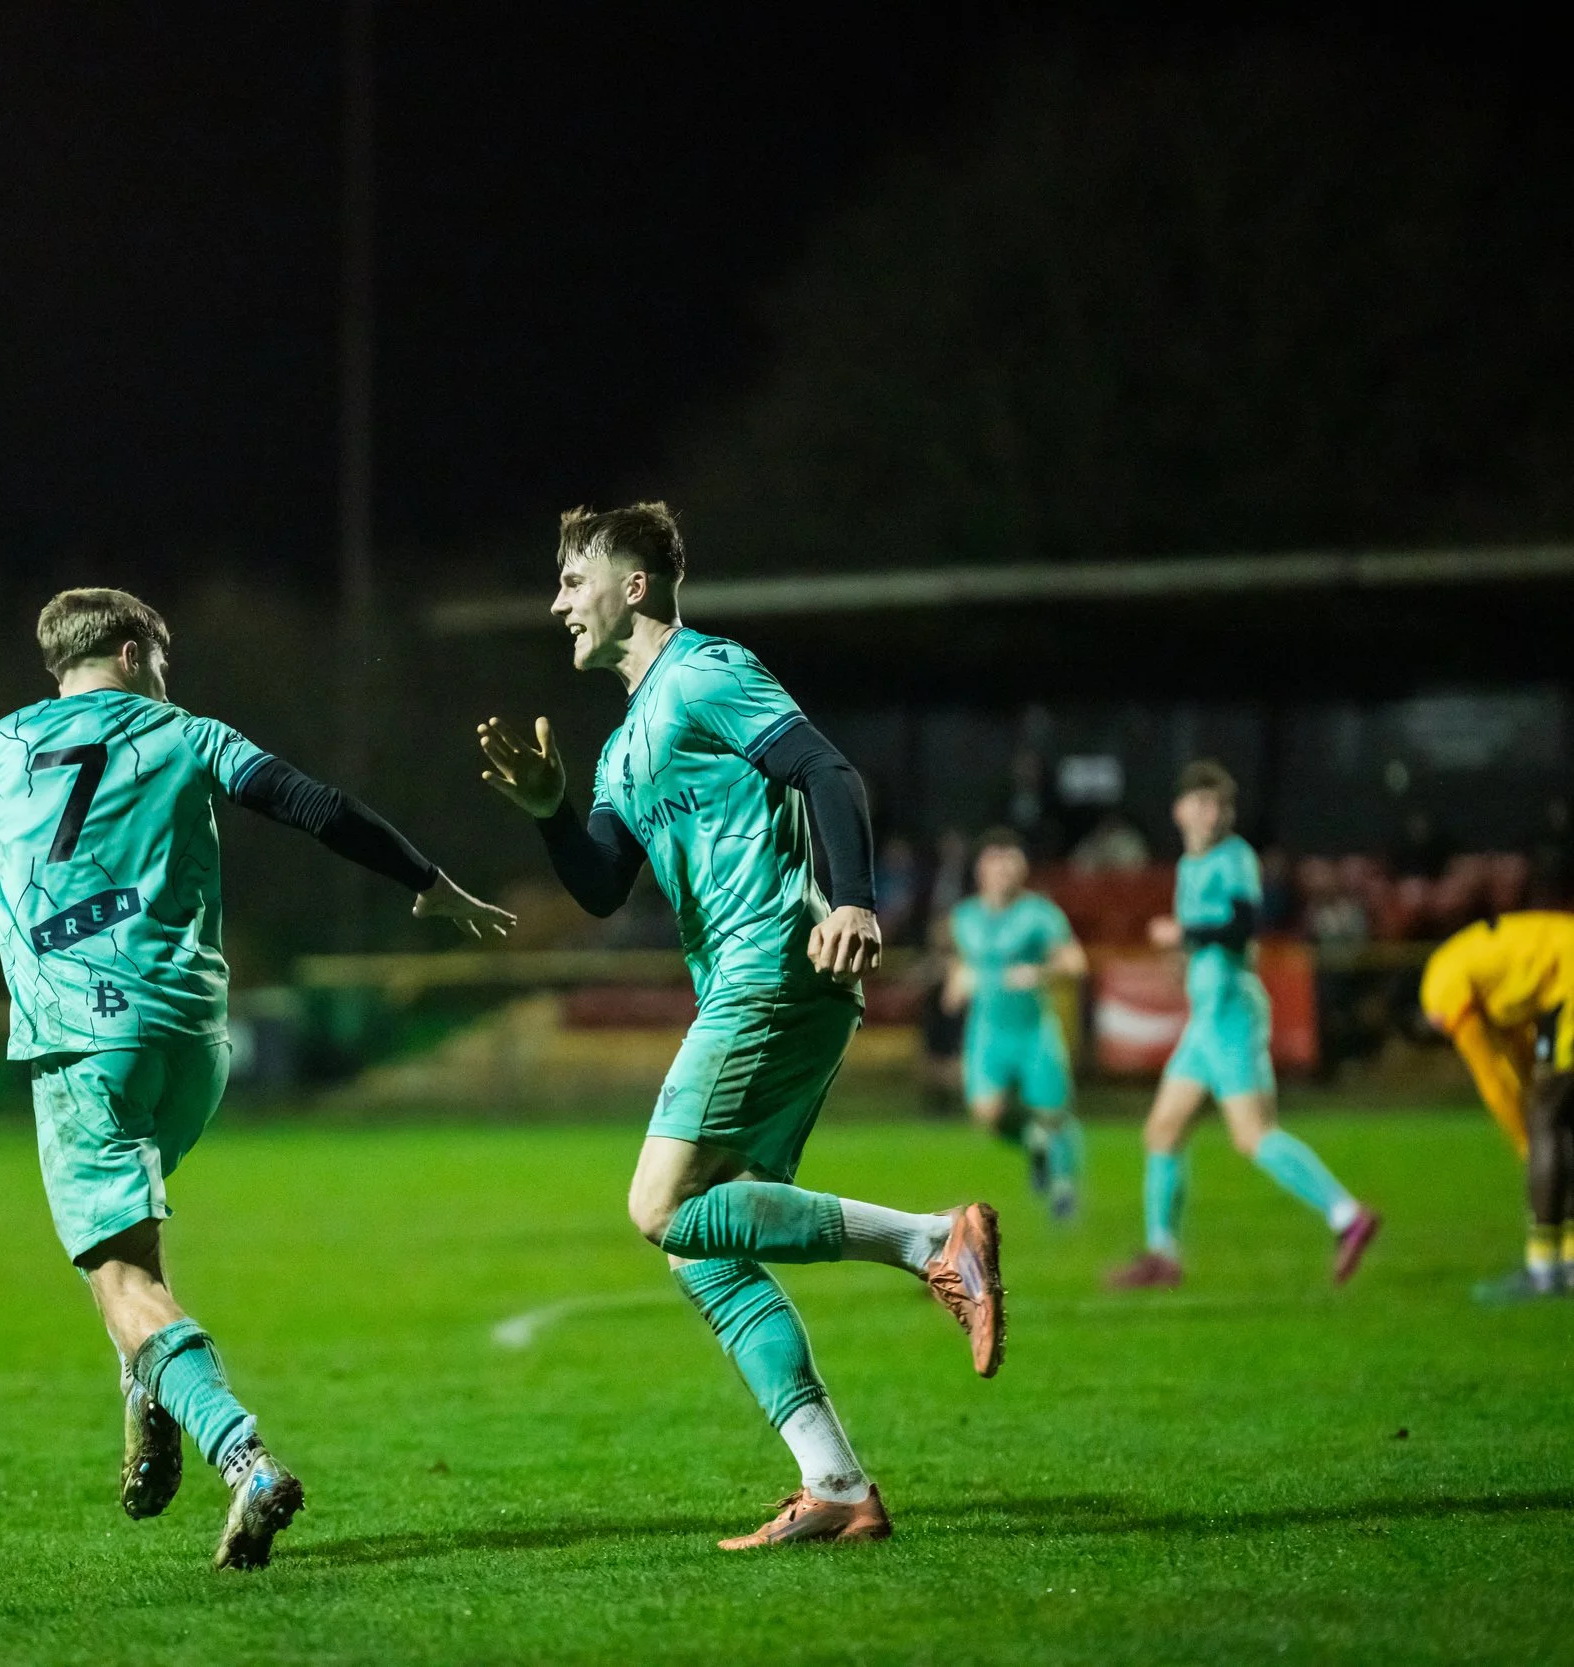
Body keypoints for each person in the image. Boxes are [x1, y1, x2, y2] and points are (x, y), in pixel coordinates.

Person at [0, 587, 513, 1571]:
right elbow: (313, 805)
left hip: (78, 1043)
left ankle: (245, 1458)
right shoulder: (185, 733)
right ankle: (147, 1399)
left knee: (122, 1279)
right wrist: (427, 882)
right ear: (136, 650)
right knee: (139, 1255)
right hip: (191, 1038)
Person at [475, 503, 1004, 1553]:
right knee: (703, 1247)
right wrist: (547, 808)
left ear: (633, 585)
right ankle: (837, 1483)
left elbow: (827, 771)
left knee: (659, 1204)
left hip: (780, 959)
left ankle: (931, 1239)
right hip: (745, 979)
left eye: (573, 579)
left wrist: (851, 898)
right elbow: (597, 885)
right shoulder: (625, 746)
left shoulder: (707, 674)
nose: (557, 602)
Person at [1109, 762, 1381, 1290]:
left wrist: (1184, 933)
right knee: (1162, 1132)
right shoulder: (1192, 863)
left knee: (1253, 1135)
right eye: (1203, 802)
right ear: (1180, 810)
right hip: (1205, 1021)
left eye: (1220, 805)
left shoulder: (1235, 858)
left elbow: (1241, 927)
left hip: (1232, 1015)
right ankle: (1162, 1255)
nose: (1213, 813)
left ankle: (1347, 1216)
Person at [1418, 913, 1574, 1302]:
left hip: (1568, 979)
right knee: (1561, 1119)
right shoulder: (1473, 973)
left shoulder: (1440, 994)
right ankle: (1569, 1259)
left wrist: (1527, 1143)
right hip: (1562, 974)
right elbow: (1521, 1055)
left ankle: (1543, 1269)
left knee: (1548, 1121)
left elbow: (1491, 1078)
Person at [946, 829, 1089, 1221]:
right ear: (981, 870)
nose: (1003, 872)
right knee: (987, 1114)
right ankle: (1034, 1143)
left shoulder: (1040, 914)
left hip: (1033, 1029)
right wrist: (957, 982)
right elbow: (962, 964)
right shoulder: (965, 918)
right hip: (988, 1032)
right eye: (995, 863)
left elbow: (1076, 963)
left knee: (1053, 1113)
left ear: (1021, 868)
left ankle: (1064, 1191)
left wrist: (1039, 972)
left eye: (1010, 863)